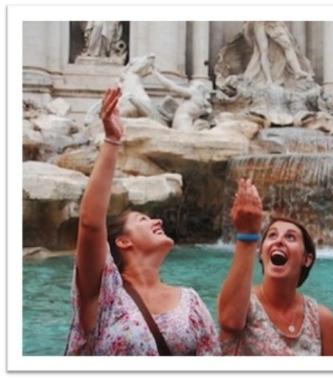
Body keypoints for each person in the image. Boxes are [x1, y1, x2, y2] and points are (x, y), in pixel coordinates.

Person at [65, 87, 220, 356]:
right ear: (122, 241)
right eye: (143, 218)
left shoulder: (191, 301)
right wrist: (112, 141)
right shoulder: (105, 293)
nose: (157, 220)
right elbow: (91, 223)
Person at [218, 178, 333, 355]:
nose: (279, 240)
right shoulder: (243, 304)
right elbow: (230, 321)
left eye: (290, 237)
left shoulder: (323, 320)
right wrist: (248, 234)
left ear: (307, 258)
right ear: (261, 252)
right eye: (272, 235)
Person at [243, 21, 311, 84]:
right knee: (264, 51)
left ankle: (297, 70)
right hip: (260, 23)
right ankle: (269, 78)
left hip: (273, 23)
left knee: (287, 45)